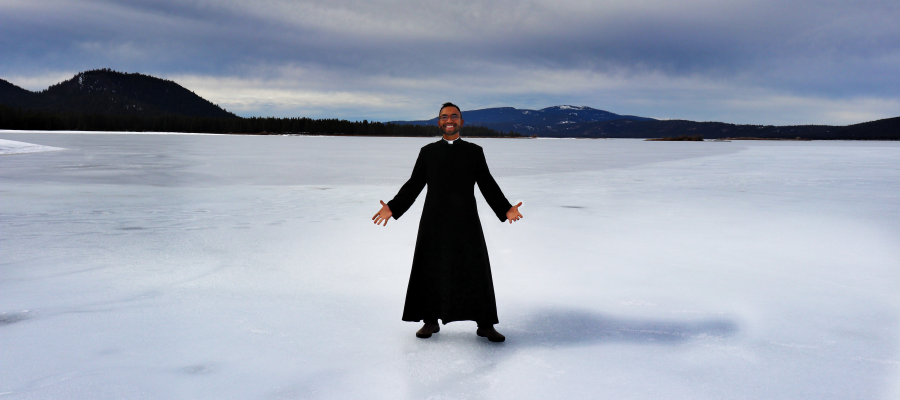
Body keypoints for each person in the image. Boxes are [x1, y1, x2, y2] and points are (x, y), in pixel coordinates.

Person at [372, 102, 523, 343]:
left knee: (475, 269)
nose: (449, 120)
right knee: (429, 267)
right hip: (433, 221)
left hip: (466, 222)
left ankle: (485, 324)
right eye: (444, 116)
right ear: (439, 122)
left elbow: (487, 183)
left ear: (461, 122)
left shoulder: (474, 152)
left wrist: (505, 209)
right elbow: (414, 185)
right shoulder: (428, 152)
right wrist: (393, 207)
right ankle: (430, 321)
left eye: (454, 116)